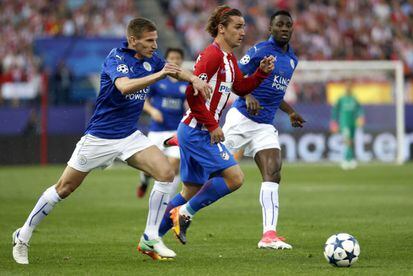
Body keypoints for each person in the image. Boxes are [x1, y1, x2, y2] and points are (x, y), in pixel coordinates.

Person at [12, 17, 211, 264]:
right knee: (64, 188)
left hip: (129, 135)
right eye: (149, 41)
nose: (154, 45)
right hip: (100, 137)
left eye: (156, 40)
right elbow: (125, 87)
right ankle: (23, 235)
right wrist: (160, 75)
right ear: (133, 40)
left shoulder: (152, 59)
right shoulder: (116, 58)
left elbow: (174, 69)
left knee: (165, 173)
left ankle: (150, 236)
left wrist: (194, 79)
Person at [158, 5, 275, 246]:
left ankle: (151, 237)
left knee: (189, 190)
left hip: (193, 131)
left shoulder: (229, 59)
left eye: (244, 27)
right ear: (221, 29)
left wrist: (261, 73)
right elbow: (192, 95)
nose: (243, 32)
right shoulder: (211, 56)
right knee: (235, 178)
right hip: (198, 131)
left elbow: (241, 89)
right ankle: (184, 214)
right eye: (238, 27)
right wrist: (212, 126)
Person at [222, 10, 306, 250]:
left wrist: (289, 112)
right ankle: (181, 209)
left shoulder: (292, 59)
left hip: (264, 125)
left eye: (288, 25)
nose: (284, 29)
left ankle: (269, 235)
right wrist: (247, 94)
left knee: (273, 171)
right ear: (270, 28)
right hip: (241, 118)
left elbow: (275, 92)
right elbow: (234, 75)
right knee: (210, 166)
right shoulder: (260, 50)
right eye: (279, 25)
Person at [137, 47, 187, 198]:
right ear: (167, 60)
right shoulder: (158, 79)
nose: (175, 61)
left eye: (177, 58)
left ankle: (166, 202)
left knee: (174, 165)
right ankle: (144, 180)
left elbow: (190, 103)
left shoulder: (186, 81)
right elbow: (143, 100)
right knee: (149, 167)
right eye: (171, 58)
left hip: (176, 131)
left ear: (181, 61)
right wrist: (153, 111)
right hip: (157, 130)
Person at [330, 81, 364, 170]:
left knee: (351, 141)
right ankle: (347, 159)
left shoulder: (354, 98)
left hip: (353, 123)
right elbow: (335, 110)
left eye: (349, 86)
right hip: (344, 123)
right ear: (345, 88)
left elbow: (359, 109)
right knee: (347, 140)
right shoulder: (341, 99)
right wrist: (334, 121)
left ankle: (350, 159)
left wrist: (361, 117)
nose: (348, 88)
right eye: (347, 86)